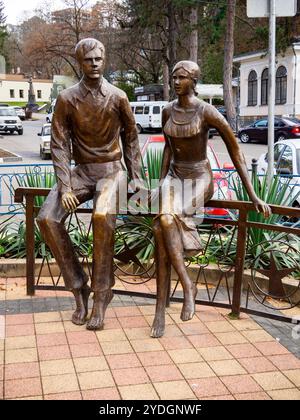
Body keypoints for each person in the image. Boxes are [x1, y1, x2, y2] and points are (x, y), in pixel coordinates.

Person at [150, 60, 271, 338]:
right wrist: (160, 183)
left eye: (181, 78)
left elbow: (235, 151)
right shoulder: (168, 109)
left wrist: (252, 194)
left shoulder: (207, 112)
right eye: (174, 77)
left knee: (166, 220)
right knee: (161, 226)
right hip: (174, 177)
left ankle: (178, 294)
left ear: (193, 82)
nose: (176, 81)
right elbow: (168, 150)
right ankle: (176, 294)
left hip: (200, 178)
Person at [37, 38, 143, 330]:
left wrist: (137, 178)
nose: (94, 64)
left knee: (101, 216)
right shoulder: (68, 98)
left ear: (104, 60)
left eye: (98, 59)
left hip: (112, 170)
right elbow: (59, 144)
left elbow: (131, 139)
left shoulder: (118, 96)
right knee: (47, 217)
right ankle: (78, 288)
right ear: (79, 63)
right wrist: (65, 185)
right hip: (81, 171)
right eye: (88, 60)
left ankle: (101, 295)